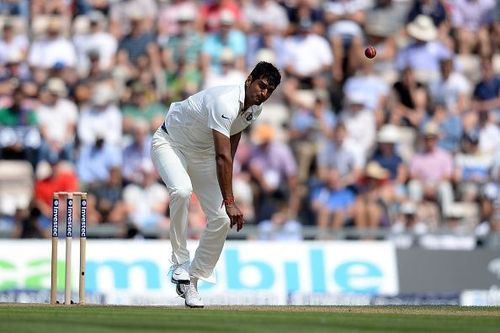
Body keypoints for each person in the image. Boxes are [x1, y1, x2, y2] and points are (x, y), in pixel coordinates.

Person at [150, 61, 281, 308]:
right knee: (181, 190)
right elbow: (222, 157)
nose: (263, 93)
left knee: (221, 219)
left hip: (201, 155)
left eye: (269, 91)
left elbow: (231, 146)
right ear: (249, 79)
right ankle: (179, 262)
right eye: (261, 85)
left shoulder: (254, 110)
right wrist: (230, 201)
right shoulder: (225, 102)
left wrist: (227, 202)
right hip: (170, 143)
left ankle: (191, 283)